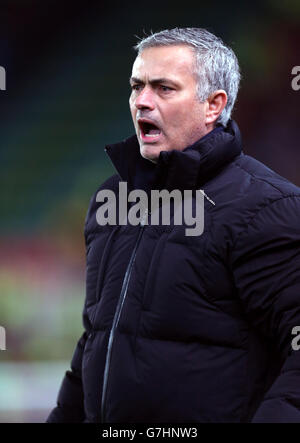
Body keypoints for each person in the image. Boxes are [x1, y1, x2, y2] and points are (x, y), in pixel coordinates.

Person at [47, 27, 300, 423]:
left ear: (213, 105)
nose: (142, 102)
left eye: (164, 88)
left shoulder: (268, 207)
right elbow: (96, 338)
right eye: (136, 86)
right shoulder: (113, 199)